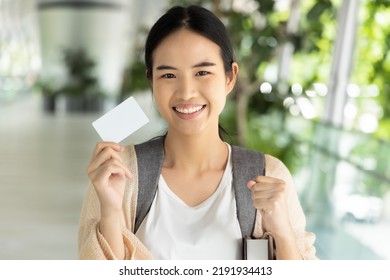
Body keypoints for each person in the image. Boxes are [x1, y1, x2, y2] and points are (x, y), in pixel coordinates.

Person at [78, 5, 317, 260]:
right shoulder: (120, 175)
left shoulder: (268, 175)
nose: (186, 92)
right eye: (168, 75)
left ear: (230, 77)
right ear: (152, 82)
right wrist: (111, 212)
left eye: (202, 72)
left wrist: (283, 234)